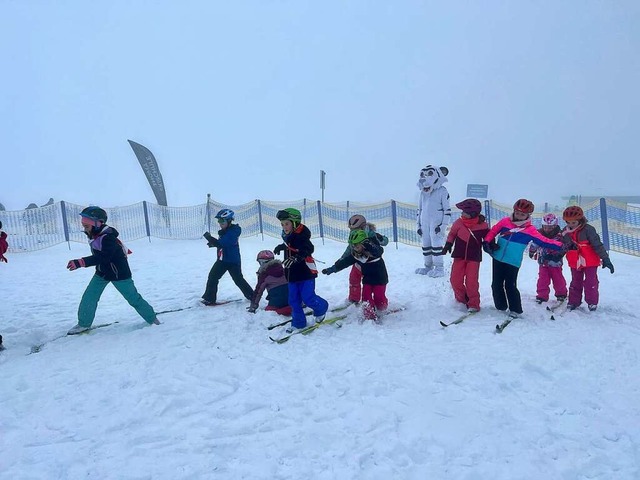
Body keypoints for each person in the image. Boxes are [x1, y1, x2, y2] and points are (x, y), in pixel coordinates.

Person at [66, 206, 160, 335]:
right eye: (83, 225)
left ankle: (153, 319)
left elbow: (104, 256)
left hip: (119, 274)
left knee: (133, 298)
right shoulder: (95, 234)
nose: (84, 228)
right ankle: (83, 324)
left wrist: (81, 262)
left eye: (86, 225)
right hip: (102, 273)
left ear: (98, 223)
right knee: (89, 297)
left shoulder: (108, 238)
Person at [483, 199, 563, 319]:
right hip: (498, 257)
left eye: (523, 214)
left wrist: (561, 245)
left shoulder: (530, 230)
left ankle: (515, 309)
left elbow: (543, 241)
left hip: (513, 261)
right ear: (514, 211)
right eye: (518, 213)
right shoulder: (505, 221)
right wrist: (487, 241)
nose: (519, 216)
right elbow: (494, 230)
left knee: (510, 285)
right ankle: (500, 307)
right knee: (496, 284)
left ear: (528, 215)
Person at [273, 208, 328, 333]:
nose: (284, 226)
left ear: (295, 222)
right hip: (292, 274)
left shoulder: (302, 236)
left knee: (308, 297)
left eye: (287, 223)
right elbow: (290, 246)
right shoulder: (288, 236)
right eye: (282, 224)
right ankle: (298, 323)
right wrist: (281, 247)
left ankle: (322, 308)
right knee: (293, 300)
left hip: (305, 273)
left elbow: (308, 248)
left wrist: (297, 257)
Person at [323, 229, 389, 321]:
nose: (354, 248)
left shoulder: (373, 247)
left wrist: (368, 245)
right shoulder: (356, 254)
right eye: (352, 246)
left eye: (356, 245)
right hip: (367, 279)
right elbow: (345, 262)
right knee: (366, 298)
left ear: (363, 243)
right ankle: (369, 315)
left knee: (379, 298)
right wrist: (333, 269)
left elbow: (378, 251)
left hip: (380, 278)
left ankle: (382, 309)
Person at [561, 206, 614, 311]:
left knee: (591, 282)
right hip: (575, 260)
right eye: (568, 222)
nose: (571, 225)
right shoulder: (565, 232)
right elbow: (563, 246)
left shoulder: (588, 230)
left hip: (590, 260)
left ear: (580, 220)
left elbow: (597, 245)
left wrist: (605, 258)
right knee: (576, 281)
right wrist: (558, 255)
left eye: (573, 222)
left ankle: (592, 302)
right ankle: (574, 301)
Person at [442, 199, 490, 313]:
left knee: (471, 282)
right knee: (455, 280)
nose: (462, 214)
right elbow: (452, 234)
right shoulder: (459, 223)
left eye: (465, 212)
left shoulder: (482, 225)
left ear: (473, 214)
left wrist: (490, 244)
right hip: (459, 256)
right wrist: (448, 244)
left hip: (474, 258)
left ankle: (474, 304)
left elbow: (489, 237)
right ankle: (462, 300)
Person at [202, 209, 254, 305]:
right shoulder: (225, 231)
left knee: (238, 280)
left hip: (232, 261)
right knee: (213, 277)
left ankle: (253, 296)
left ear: (229, 221)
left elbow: (223, 243)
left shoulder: (234, 231)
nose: (220, 223)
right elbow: (223, 243)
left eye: (222, 221)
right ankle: (209, 299)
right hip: (222, 260)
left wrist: (210, 238)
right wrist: (214, 244)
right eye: (219, 221)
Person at [339, 214, 389, 305]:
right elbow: (349, 248)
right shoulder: (353, 235)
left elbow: (384, 242)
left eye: (355, 229)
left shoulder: (371, 234)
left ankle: (378, 302)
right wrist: (342, 258)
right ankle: (354, 299)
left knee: (370, 284)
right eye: (351, 229)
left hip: (370, 263)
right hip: (358, 261)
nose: (352, 231)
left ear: (363, 226)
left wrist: (381, 239)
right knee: (353, 278)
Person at [415, 165, 451, 277]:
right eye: (423, 174)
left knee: (436, 245)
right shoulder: (422, 194)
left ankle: (439, 267)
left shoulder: (442, 191)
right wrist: (418, 225)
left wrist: (443, 226)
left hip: (436, 224)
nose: (425, 177)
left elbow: (447, 210)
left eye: (429, 174)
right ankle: (428, 266)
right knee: (426, 244)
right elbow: (419, 209)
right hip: (424, 223)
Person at [528, 213, 568, 304]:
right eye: (545, 227)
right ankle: (542, 296)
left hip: (555, 262)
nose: (547, 229)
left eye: (550, 227)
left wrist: (559, 255)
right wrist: (532, 251)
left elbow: (564, 247)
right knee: (543, 279)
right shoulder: (540, 234)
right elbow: (535, 243)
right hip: (543, 261)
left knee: (558, 278)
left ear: (555, 226)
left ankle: (561, 294)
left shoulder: (560, 236)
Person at [247, 250, 292, 316]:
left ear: (262, 262)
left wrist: (253, 306)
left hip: (277, 302)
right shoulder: (284, 269)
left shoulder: (264, 274)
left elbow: (258, 291)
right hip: (292, 298)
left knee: (269, 310)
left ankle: (283, 310)